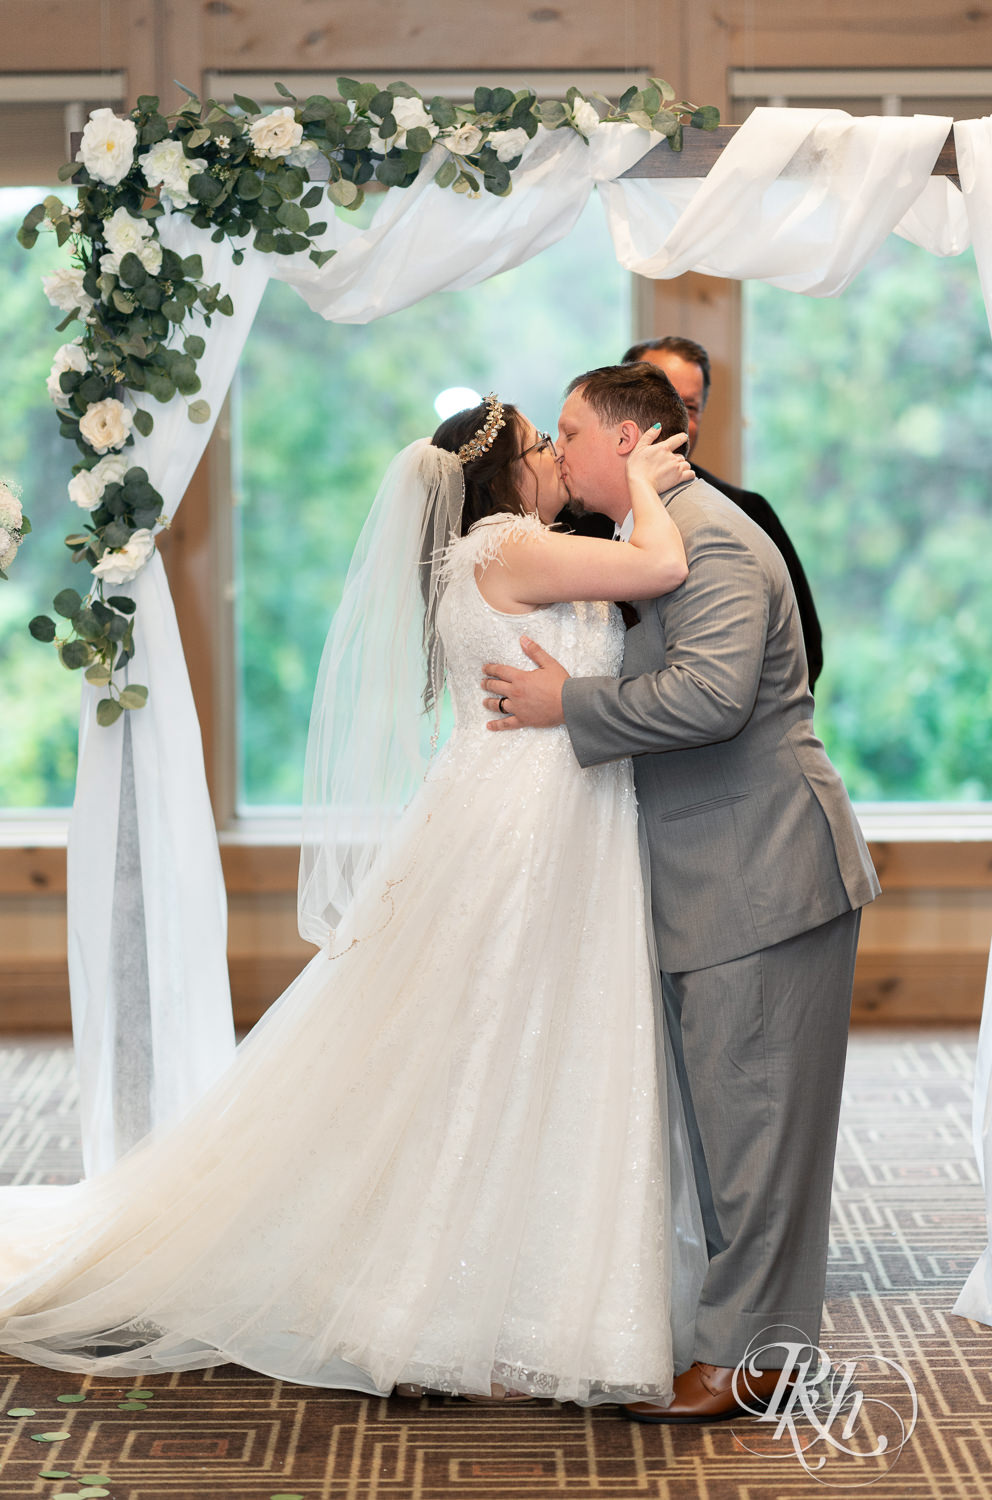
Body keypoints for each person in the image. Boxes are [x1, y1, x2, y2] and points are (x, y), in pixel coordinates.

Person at [0, 397, 708, 1408]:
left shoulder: (503, 552)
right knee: (510, 1044)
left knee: (519, 1048)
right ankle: (463, 1309)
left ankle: (505, 1301)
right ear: (503, 477)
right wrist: (647, 475)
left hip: (536, 813)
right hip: (527, 825)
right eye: (542, 446)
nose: (557, 457)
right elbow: (661, 569)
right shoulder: (507, 546)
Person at [483, 362, 881, 1424]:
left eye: (569, 433)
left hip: (762, 867)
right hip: (719, 869)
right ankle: (744, 1341)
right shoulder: (656, 533)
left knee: (754, 1130)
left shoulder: (704, 537)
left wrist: (571, 702)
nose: (559, 453)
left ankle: (751, 1359)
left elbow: (709, 699)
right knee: (729, 1127)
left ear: (623, 440)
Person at [559, 336, 824, 692]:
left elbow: (791, 655)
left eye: (688, 405)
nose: (672, 416)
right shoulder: (574, 514)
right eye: (657, 394)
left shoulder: (730, 517)